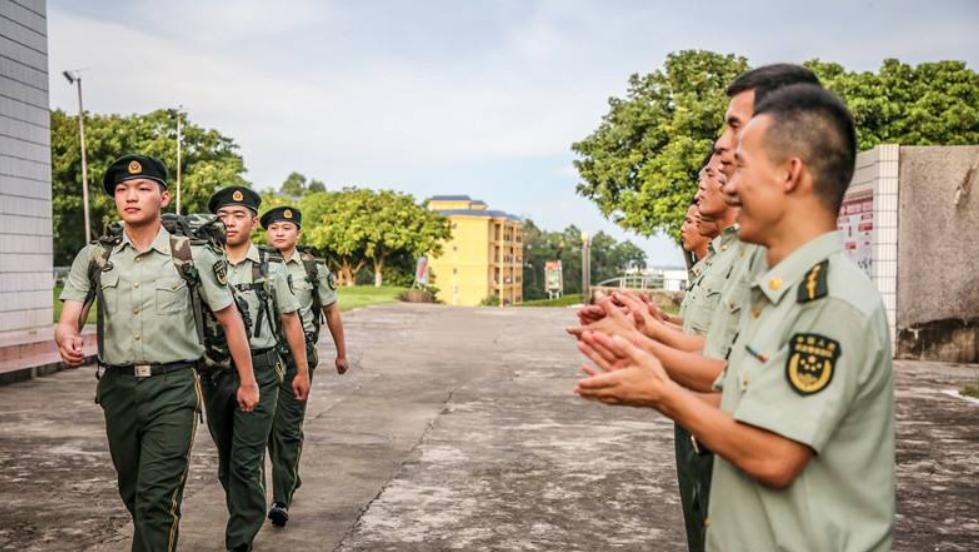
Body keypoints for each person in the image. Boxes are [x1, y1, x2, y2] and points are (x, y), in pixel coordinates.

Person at [576, 83, 895, 552]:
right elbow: (732, 394)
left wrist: (661, 392)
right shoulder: (784, 291)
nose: (729, 186)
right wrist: (639, 349)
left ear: (790, 174)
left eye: (742, 167)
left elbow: (774, 455)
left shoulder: (829, 302)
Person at [55, 155, 256, 552]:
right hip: (117, 390)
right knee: (133, 492)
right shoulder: (95, 256)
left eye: (142, 188)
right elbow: (68, 318)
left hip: (173, 389)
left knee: (156, 501)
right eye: (122, 189)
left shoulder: (192, 255)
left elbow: (231, 320)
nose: (131, 196)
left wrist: (247, 382)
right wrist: (66, 335)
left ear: (163, 198)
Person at [206, 186, 311, 552]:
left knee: (246, 460)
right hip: (216, 372)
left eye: (238, 216)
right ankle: (244, 511)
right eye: (223, 216)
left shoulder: (271, 266)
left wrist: (302, 371)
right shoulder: (202, 262)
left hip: (263, 369)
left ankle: (240, 539)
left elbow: (290, 320)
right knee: (227, 462)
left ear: (253, 222)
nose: (230, 223)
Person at [260, 206, 348, 527]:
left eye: (286, 228)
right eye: (274, 228)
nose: (279, 233)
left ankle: (281, 499)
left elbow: (331, 312)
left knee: (287, 428)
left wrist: (341, 353)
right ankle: (290, 474)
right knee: (267, 428)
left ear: (298, 233)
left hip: (298, 356)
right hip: (264, 355)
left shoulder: (314, 269)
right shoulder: (256, 264)